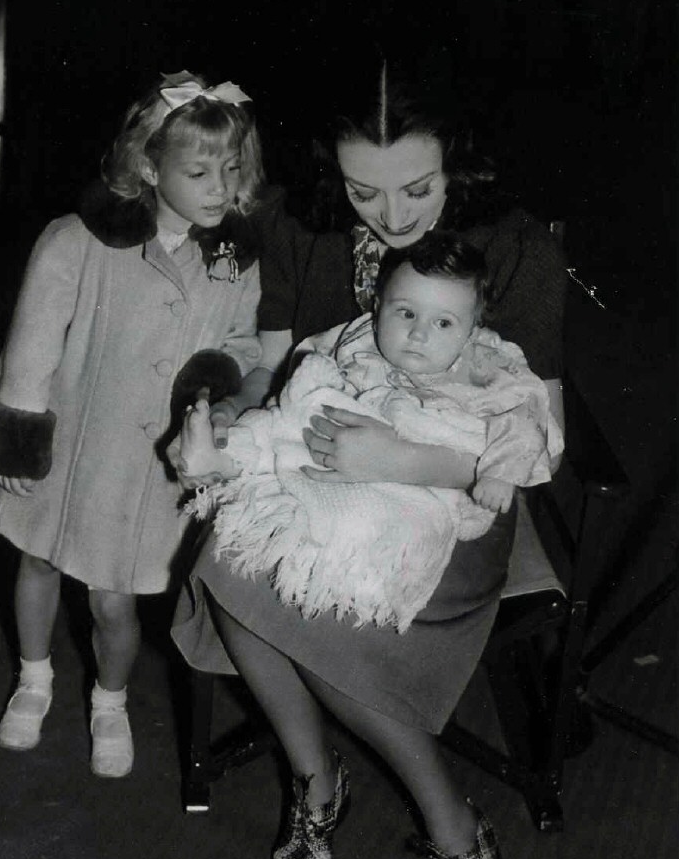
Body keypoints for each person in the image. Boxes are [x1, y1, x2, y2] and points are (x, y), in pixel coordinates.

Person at [170, 60, 567, 859]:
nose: (390, 216)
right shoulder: (302, 228)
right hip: (318, 468)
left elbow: (543, 437)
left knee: (315, 619)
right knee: (229, 565)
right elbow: (273, 367)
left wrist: (398, 458)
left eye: (417, 188)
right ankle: (317, 782)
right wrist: (225, 417)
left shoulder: (514, 244)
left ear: (455, 164)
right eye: (362, 190)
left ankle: (454, 827)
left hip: (455, 488)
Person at [0, 69, 268, 778]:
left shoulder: (232, 260)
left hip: (144, 468)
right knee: (38, 561)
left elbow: (240, 344)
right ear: (147, 165)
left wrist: (214, 390)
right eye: (197, 170)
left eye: (229, 170)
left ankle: (110, 699)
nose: (217, 187)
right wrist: (19, 434)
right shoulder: (77, 241)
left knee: (114, 601)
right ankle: (35, 676)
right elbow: (31, 345)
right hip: (69, 444)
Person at [177, 232, 563, 635]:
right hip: (333, 445)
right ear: (378, 308)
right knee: (293, 406)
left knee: (369, 518)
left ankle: (342, 562)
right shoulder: (359, 337)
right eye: (406, 313)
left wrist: (498, 473)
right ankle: (224, 455)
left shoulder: (487, 368)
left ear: (471, 330)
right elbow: (307, 365)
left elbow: (526, 424)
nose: (419, 334)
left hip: (424, 480)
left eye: (444, 323)